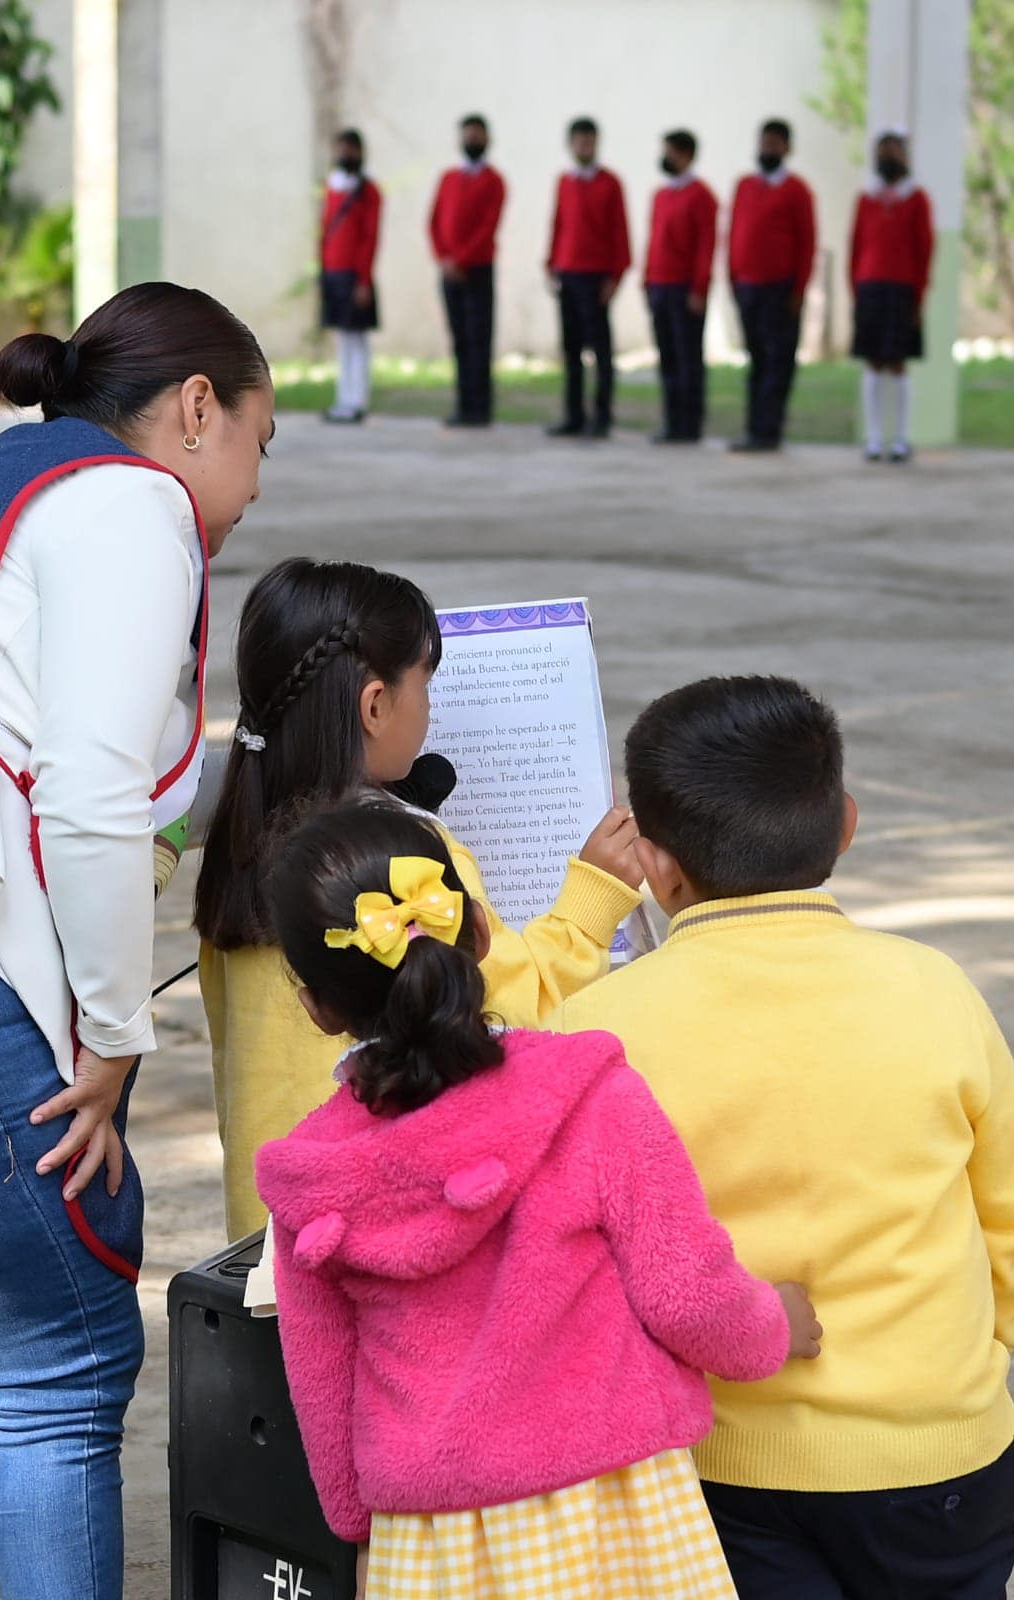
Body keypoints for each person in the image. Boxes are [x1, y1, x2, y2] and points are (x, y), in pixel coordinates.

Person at [254, 801, 822, 1600]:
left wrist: (361, 1522)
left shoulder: (309, 1173)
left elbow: (323, 1384)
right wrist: (774, 1329)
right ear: (480, 933)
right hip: (618, 1508)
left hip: (433, 1539)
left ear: (316, 1006)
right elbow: (687, 1296)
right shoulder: (590, 1093)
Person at [0, 282, 272, 1600]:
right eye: (260, 441)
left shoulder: (0, 476)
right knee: (61, 1361)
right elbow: (82, 796)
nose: (253, 487)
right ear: (196, 410)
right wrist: (110, 1034)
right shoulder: (135, 503)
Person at [555, 675, 1014, 1599]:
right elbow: (1003, 1225)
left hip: (711, 1467)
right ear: (845, 825)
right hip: (941, 1454)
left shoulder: (592, 1030)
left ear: (657, 865)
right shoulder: (938, 992)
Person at [193, 558, 643, 1241]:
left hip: (277, 1231)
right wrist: (594, 895)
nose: (429, 709)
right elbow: (511, 1017)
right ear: (376, 705)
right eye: (425, 687)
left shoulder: (240, 835)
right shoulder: (405, 858)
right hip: (395, 1226)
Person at [728, 120, 816, 451]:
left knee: (779, 361)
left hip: (780, 290)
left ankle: (770, 430)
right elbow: (734, 233)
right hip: (748, 287)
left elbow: (807, 243)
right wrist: (733, 278)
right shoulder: (744, 186)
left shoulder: (797, 191)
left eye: (775, 143)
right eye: (764, 142)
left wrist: (798, 290)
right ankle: (753, 428)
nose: (768, 149)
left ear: (787, 149)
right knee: (755, 362)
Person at [850, 131, 934, 463]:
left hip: (902, 290)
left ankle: (900, 438)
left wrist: (918, 297)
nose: (888, 158)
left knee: (897, 363)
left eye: (894, 152)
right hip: (870, 287)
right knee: (873, 361)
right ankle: (873, 439)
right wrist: (855, 289)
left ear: (905, 157)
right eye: (882, 152)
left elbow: (925, 251)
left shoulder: (917, 199)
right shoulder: (866, 199)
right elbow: (855, 248)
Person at [546, 117, 631, 439]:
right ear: (570, 145)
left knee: (601, 351)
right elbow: (558, 224)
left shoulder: (610, 183)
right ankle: (574, 415)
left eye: (590, 142)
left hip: (596, 277)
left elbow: (620, 232)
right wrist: (551, 264)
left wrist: (615, 277)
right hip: (567, 273)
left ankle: (603, 415)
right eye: (580, 142)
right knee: (571, 351)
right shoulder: (565, 182)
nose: (585, 147)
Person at [428, 114, 507, 428]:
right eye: (468, 135)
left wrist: (461, 259)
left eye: (477, 135)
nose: (472, 140)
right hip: (449, 272)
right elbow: (434, 221)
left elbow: (488, 226)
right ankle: (463, 405)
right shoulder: (448, 178)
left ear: (487, 139)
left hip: (477, 271)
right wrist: (444, 258)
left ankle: (481, 408)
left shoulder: (494, 181)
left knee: (479, 339)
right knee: (459, 339)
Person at [644, 128, 718, 445]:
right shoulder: (661, 194)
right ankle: (672, 421)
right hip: (659, 285)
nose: (665, 157)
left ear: (685, 155)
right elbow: (654, 241)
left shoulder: (702, 196)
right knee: (667, 358)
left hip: (684, 289)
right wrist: (646, 279)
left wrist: (699, 289)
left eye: (670, 151)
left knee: (688, 358)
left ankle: (690, 423)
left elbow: (706, 247)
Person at [320, 128, 382, 424]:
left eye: (349, 149)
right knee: (343, 340)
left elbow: (370, 238)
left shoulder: (367, 191)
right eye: (339, 148)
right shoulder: (332, 188)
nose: (344, 155)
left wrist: (364, 280)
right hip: (333, 273)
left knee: (357, 340)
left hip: (355, 276)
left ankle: (357, 400)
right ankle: (342, 399)